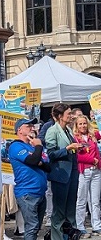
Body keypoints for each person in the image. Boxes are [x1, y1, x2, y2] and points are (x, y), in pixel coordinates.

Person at [8, 118, 50, 240]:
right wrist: (38, 147)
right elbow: (33, 160)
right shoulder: (16, 146)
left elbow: (48, 166)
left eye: (32, 125)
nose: (32, 128)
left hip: (40, 192)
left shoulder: (32, 147)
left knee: (36, 228)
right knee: (32, 226)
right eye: (28, 126)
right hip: (27, 192)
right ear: (19, 130)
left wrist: (38, 156)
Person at [45, 103, 82, 240]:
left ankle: (69, 235)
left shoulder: (68, 130)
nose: (71, 116)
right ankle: (57, 237)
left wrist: (76, 148)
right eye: (69, 114)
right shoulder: (52, 131)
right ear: (60, 116)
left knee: (70, 209)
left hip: (72, 173)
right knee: (59, 210)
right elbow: (51, 154)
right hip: (60, 175)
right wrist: (67, 148)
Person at [73, 115, 101, 237]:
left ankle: (97, 226)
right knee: (81, 200)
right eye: (80, 124)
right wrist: (91, 160)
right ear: (76, 125)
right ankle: (80, 226)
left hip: (96, 171)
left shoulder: (92, 136)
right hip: (83, 171)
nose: (83, 126)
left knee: (95, 201)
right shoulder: (74, 138)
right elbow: (77, 156)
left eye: (84, 123)